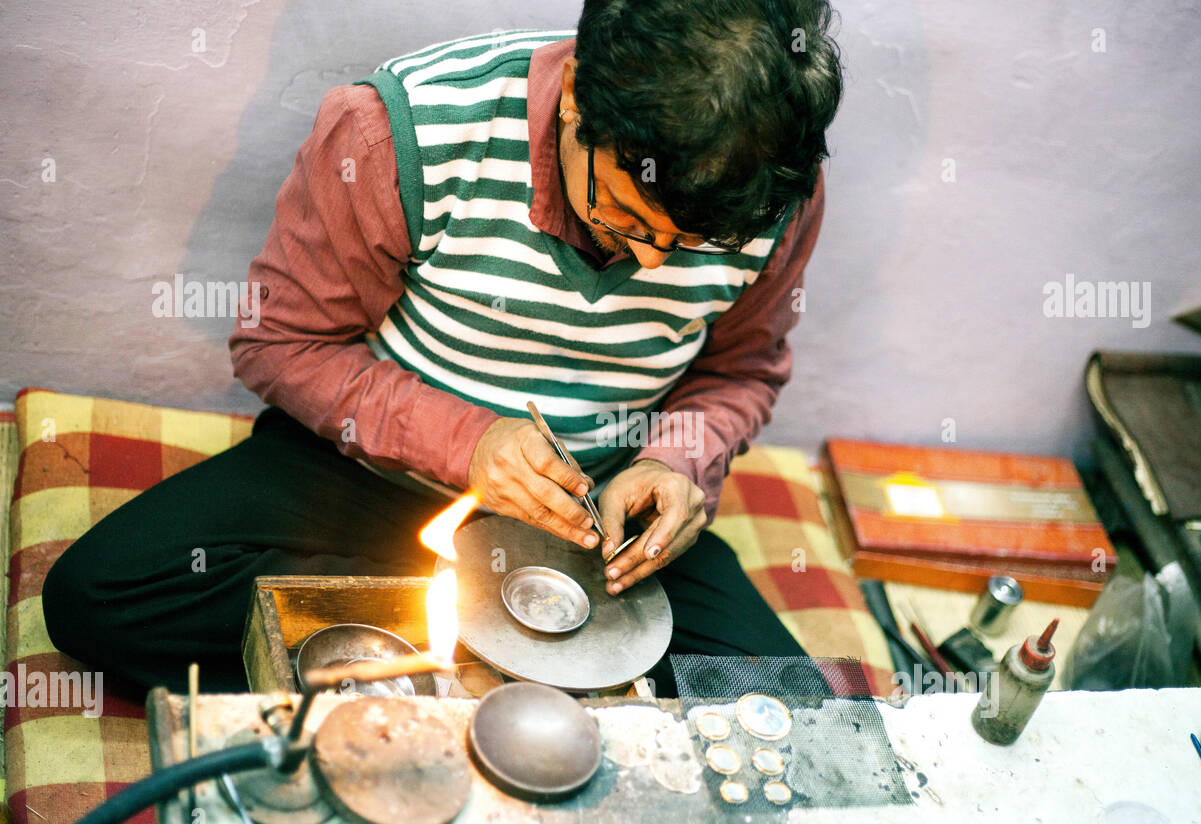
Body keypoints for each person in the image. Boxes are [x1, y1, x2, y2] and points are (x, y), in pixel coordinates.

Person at [42, 0, 845, 697]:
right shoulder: (401, 131)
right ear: (574, 102)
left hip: (597, 527)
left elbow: (740, 370)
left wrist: (675, 464)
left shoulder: (767, 191)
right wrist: (468, 445)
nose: (653, 265)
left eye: (694, 243)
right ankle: (482, 645)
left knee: (791, 714)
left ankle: (455, 655)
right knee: (100, 597)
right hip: (375, 483)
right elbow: (281, 344)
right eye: (630, 220)